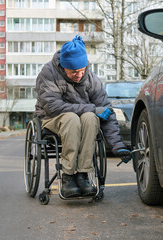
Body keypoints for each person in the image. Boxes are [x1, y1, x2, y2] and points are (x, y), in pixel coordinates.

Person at [34, 35, 131, 198]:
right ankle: (68, 175)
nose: (79, 75)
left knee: (91, 118)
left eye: (82, 70)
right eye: (73, 72)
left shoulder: (91, 79)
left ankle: (83, 174)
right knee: (72, 118)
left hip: (80, 119)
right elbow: (53, 107)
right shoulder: (49, 73)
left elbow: (106, 110)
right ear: (64, 67)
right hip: (52, 119)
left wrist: (117, 145)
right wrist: (93, 109)